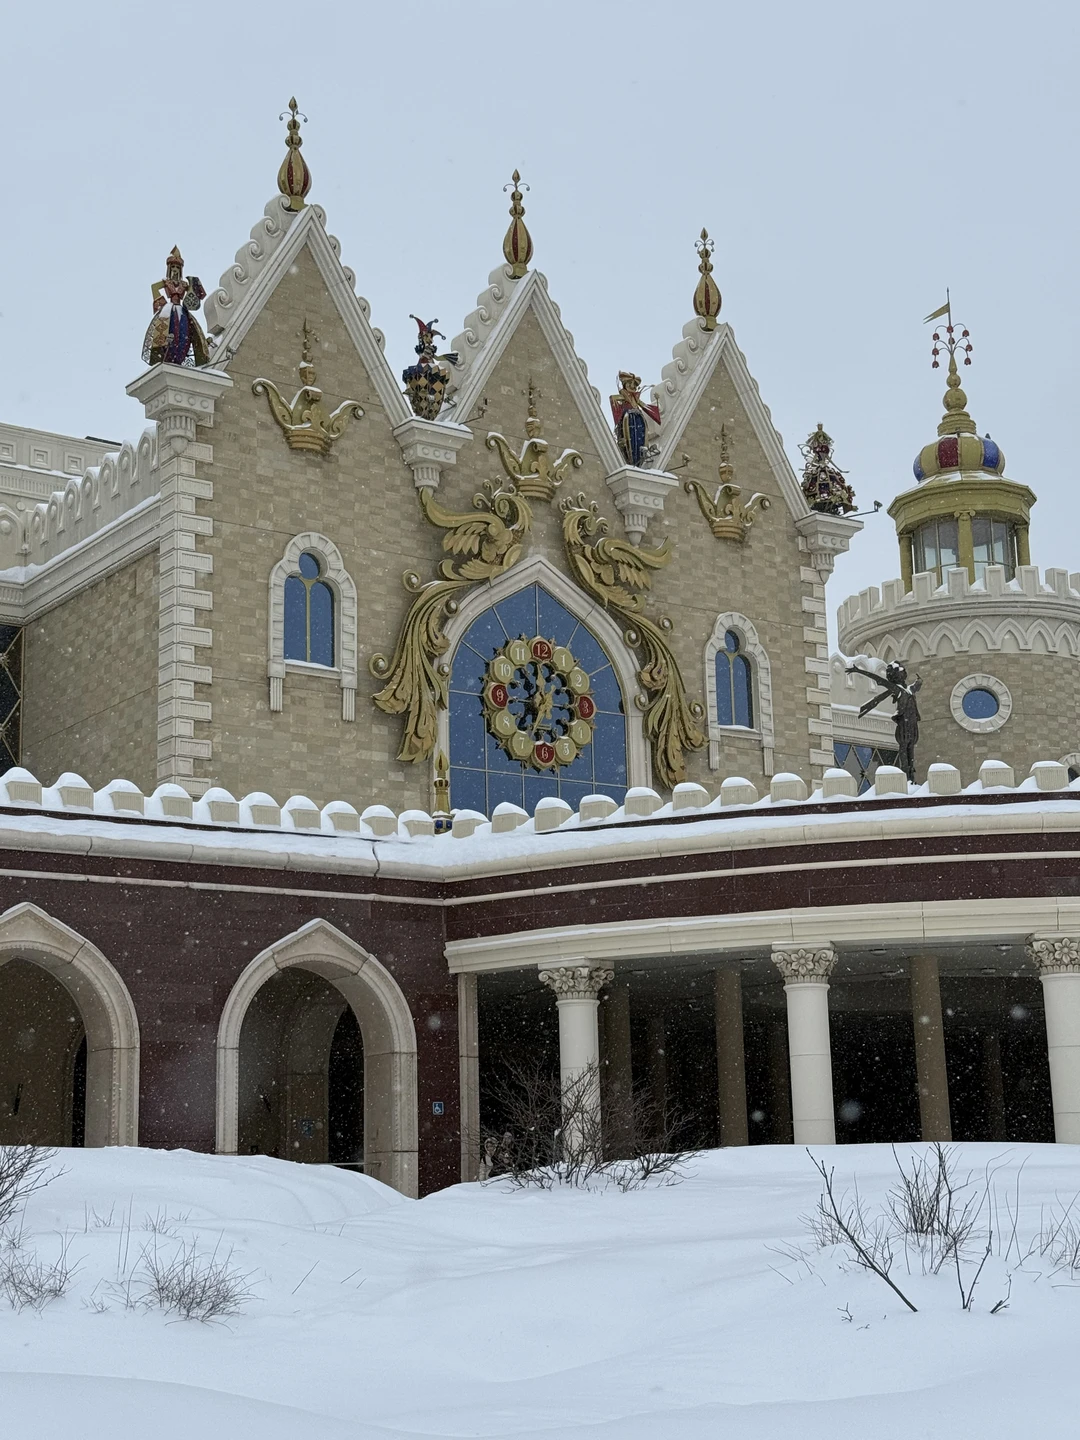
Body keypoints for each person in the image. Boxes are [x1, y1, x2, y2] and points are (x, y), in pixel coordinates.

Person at [847, 661, 922, 781]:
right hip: (904, 724)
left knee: (910, 749)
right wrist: (859, 671)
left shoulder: (908, 690)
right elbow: (877, 678)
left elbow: (916, 686)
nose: (904, 674)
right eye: (901, 672)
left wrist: (919, 681)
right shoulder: (897, 689)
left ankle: (911, 775)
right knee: (904, 748)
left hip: (912, 724)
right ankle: (906, 774)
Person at [142, 247, 209, 368]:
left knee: (184, 331)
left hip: (182, 310)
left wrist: (194, 284)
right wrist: (162, 303)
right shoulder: (166, 282)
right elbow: (154, 287)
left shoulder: (184, 284)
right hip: (170, 310)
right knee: (170, 329)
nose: (175, 270)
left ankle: (180, 354)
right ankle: (168, 353)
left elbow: (196, 295)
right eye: (173, 267)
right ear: (169, 269)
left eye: (177, 267)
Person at [610, 371, 660, 467]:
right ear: (625, 385)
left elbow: (646, 407)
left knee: (640, 437)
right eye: (630, 384)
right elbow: (613, 399)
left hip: (639, 419)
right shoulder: (624, 397)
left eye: (634, 384)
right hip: (628, 419)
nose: (632, 387)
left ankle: (640, 455)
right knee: (631, 438)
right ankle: (632, 458)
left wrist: (657, 403)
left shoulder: (636, 399)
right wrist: (622, 396)